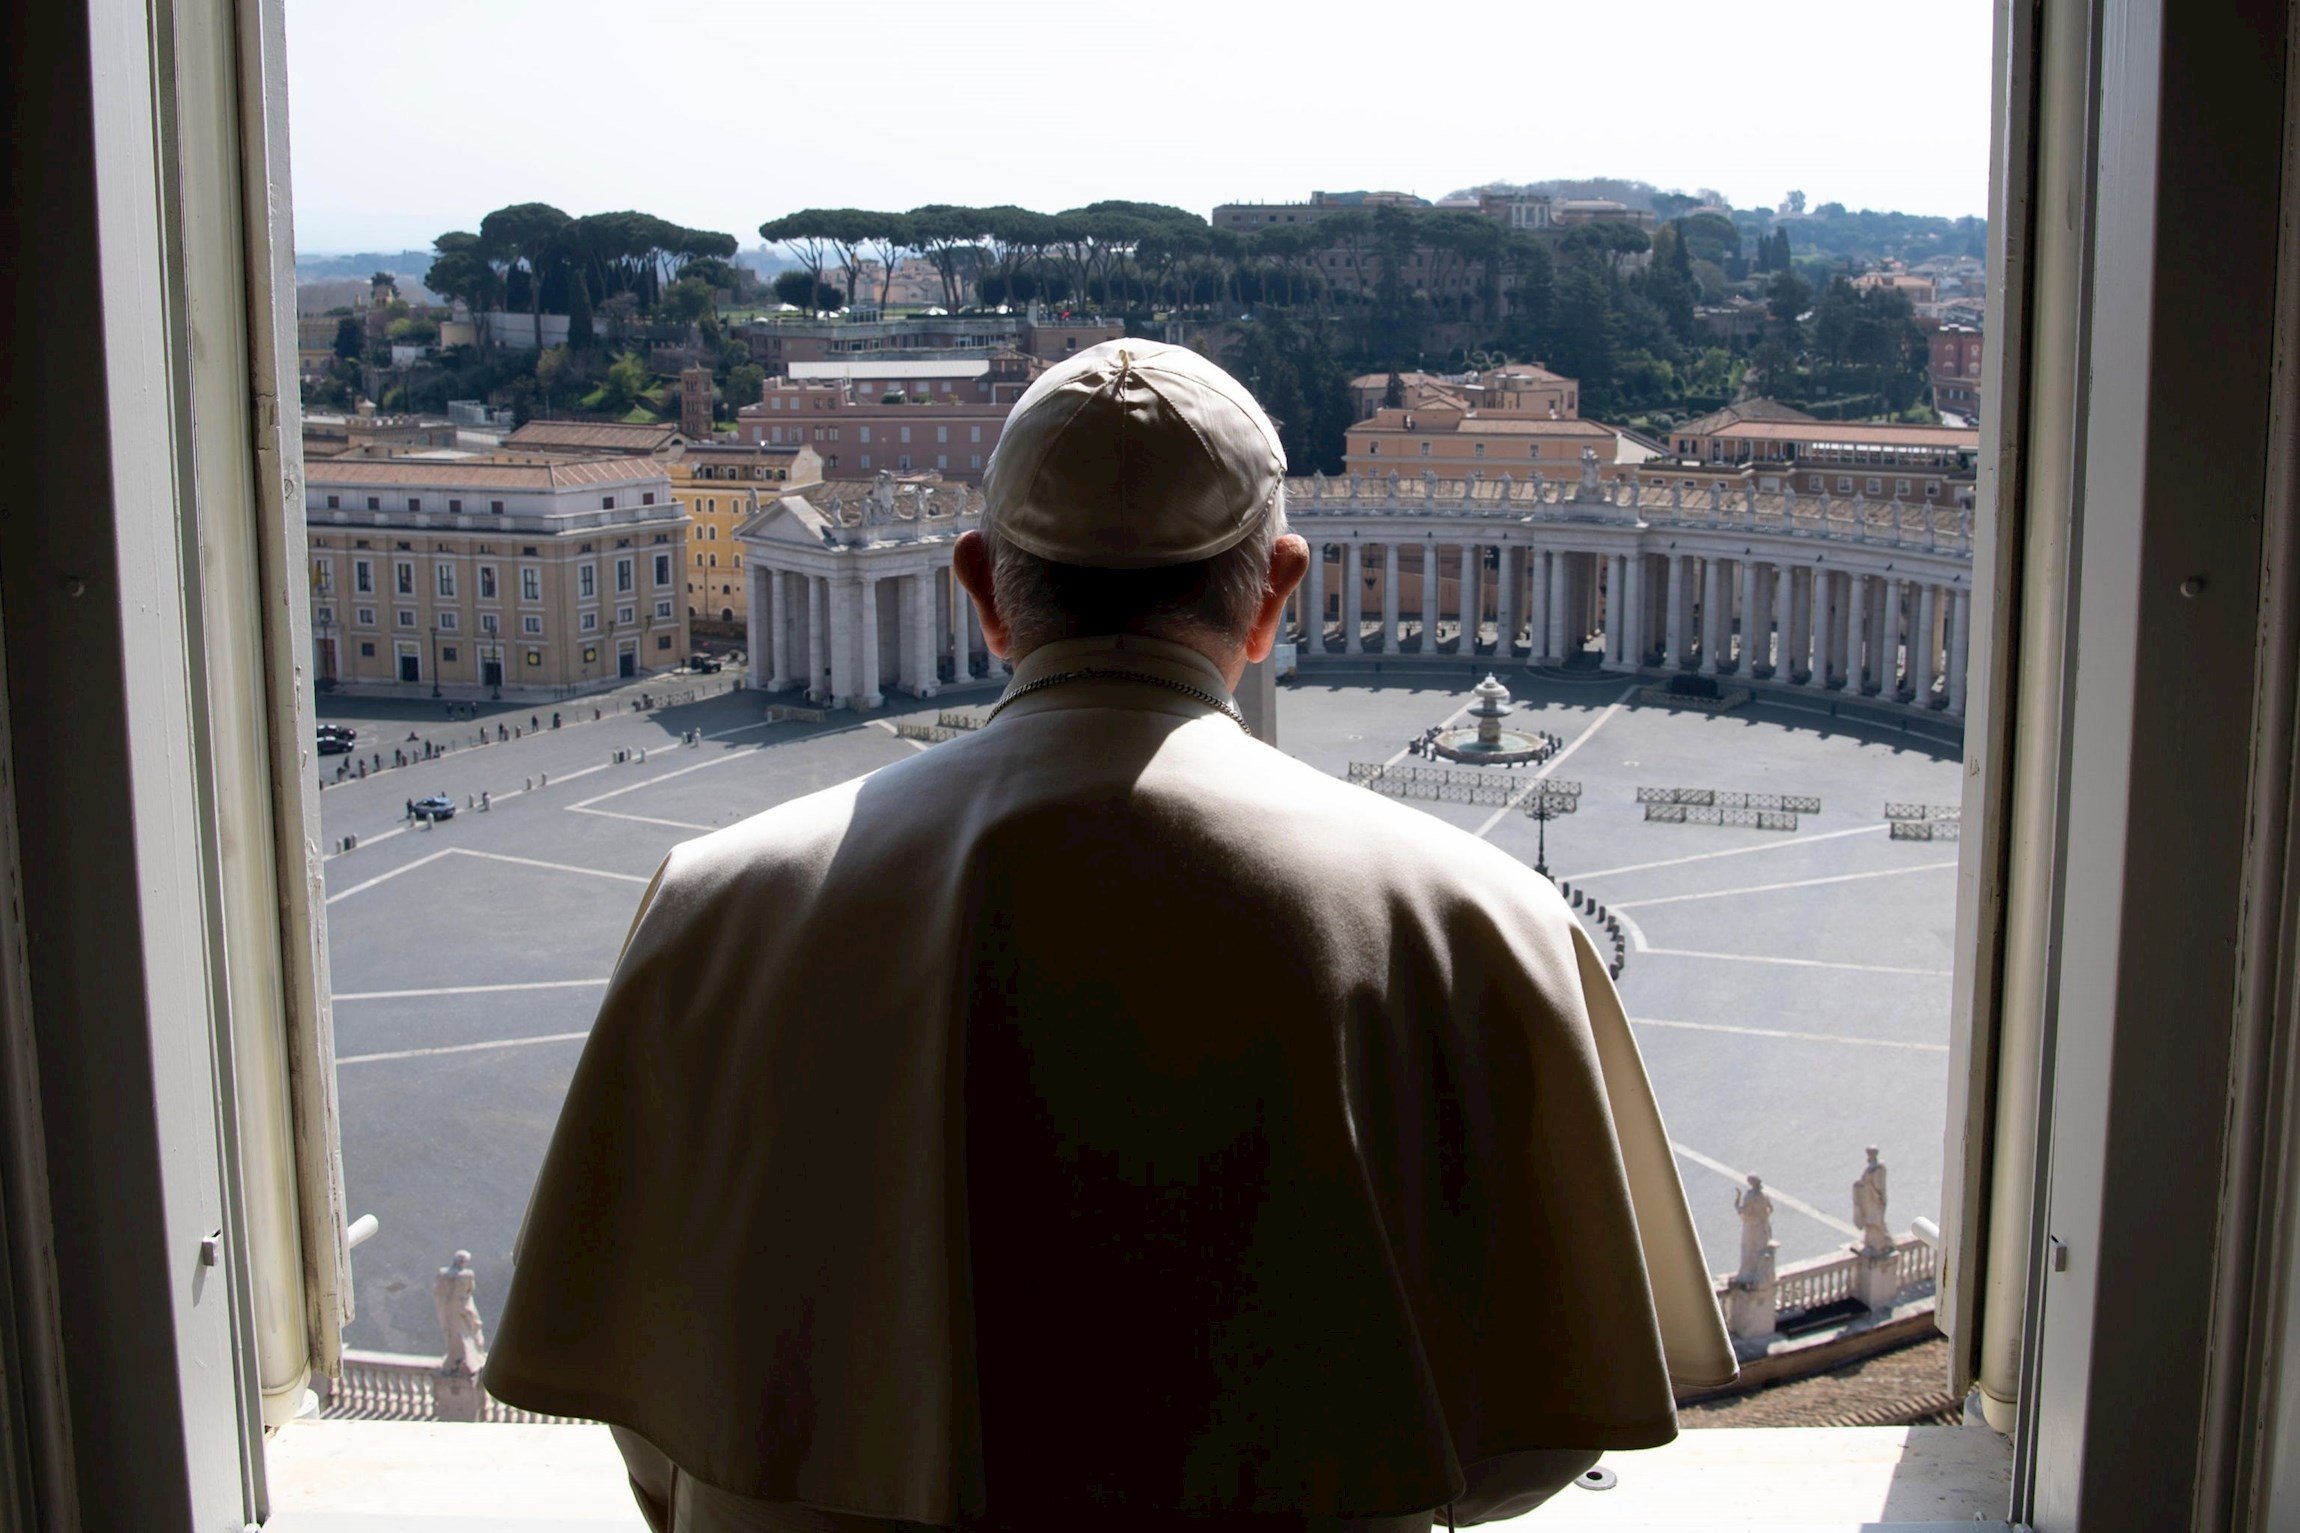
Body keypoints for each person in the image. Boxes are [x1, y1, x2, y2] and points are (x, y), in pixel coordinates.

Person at [488, 340, 1734, 1533]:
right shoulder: (1484, 917)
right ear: (1274, 597)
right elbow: (1539, 1426)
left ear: (979, 586)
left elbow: (646, 1402)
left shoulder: (713, 898)